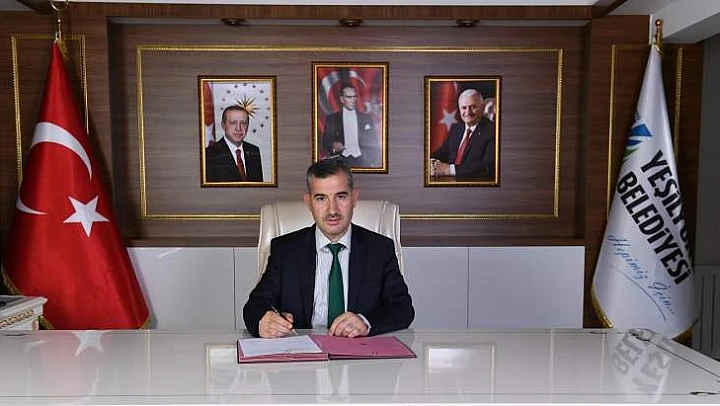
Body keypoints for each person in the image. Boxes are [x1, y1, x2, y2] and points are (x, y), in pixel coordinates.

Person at [243, 158, 414, 338]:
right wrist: (263, 320)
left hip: (360, 350)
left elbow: (403, 308)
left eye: (340, 197)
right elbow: (255, 305)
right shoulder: (285, 250)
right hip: (303, 350)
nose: (332, 210)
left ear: (354, 198)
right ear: (309, 202)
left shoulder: (380, 249)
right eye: (321, 198)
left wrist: (365, 322)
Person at [430, 88, 495, 179]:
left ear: (483, 107)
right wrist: (429, 162)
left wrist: (449, 169)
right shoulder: (456, 128)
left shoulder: (492, 130)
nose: (468, 112)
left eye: (473, 107)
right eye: (464, 108)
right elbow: (442, 152)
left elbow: (487, 167)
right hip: (449, 182)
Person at [321, 84, 381, 168]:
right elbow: (325, 142)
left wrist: (374, 163)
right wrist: (333, 145)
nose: (353, 100)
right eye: (349, 97)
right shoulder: (332, 119)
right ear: (342, 99)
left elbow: (374, 142)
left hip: (363, 161)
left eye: (354, 97)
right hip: (340, 162)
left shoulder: (367, 118)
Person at [205, 105, 263, 182]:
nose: (238, 128)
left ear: (248, 126)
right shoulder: (209, 154)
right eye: (233, 123)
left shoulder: (254, 151)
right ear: (223, 125)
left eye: (243, 123)